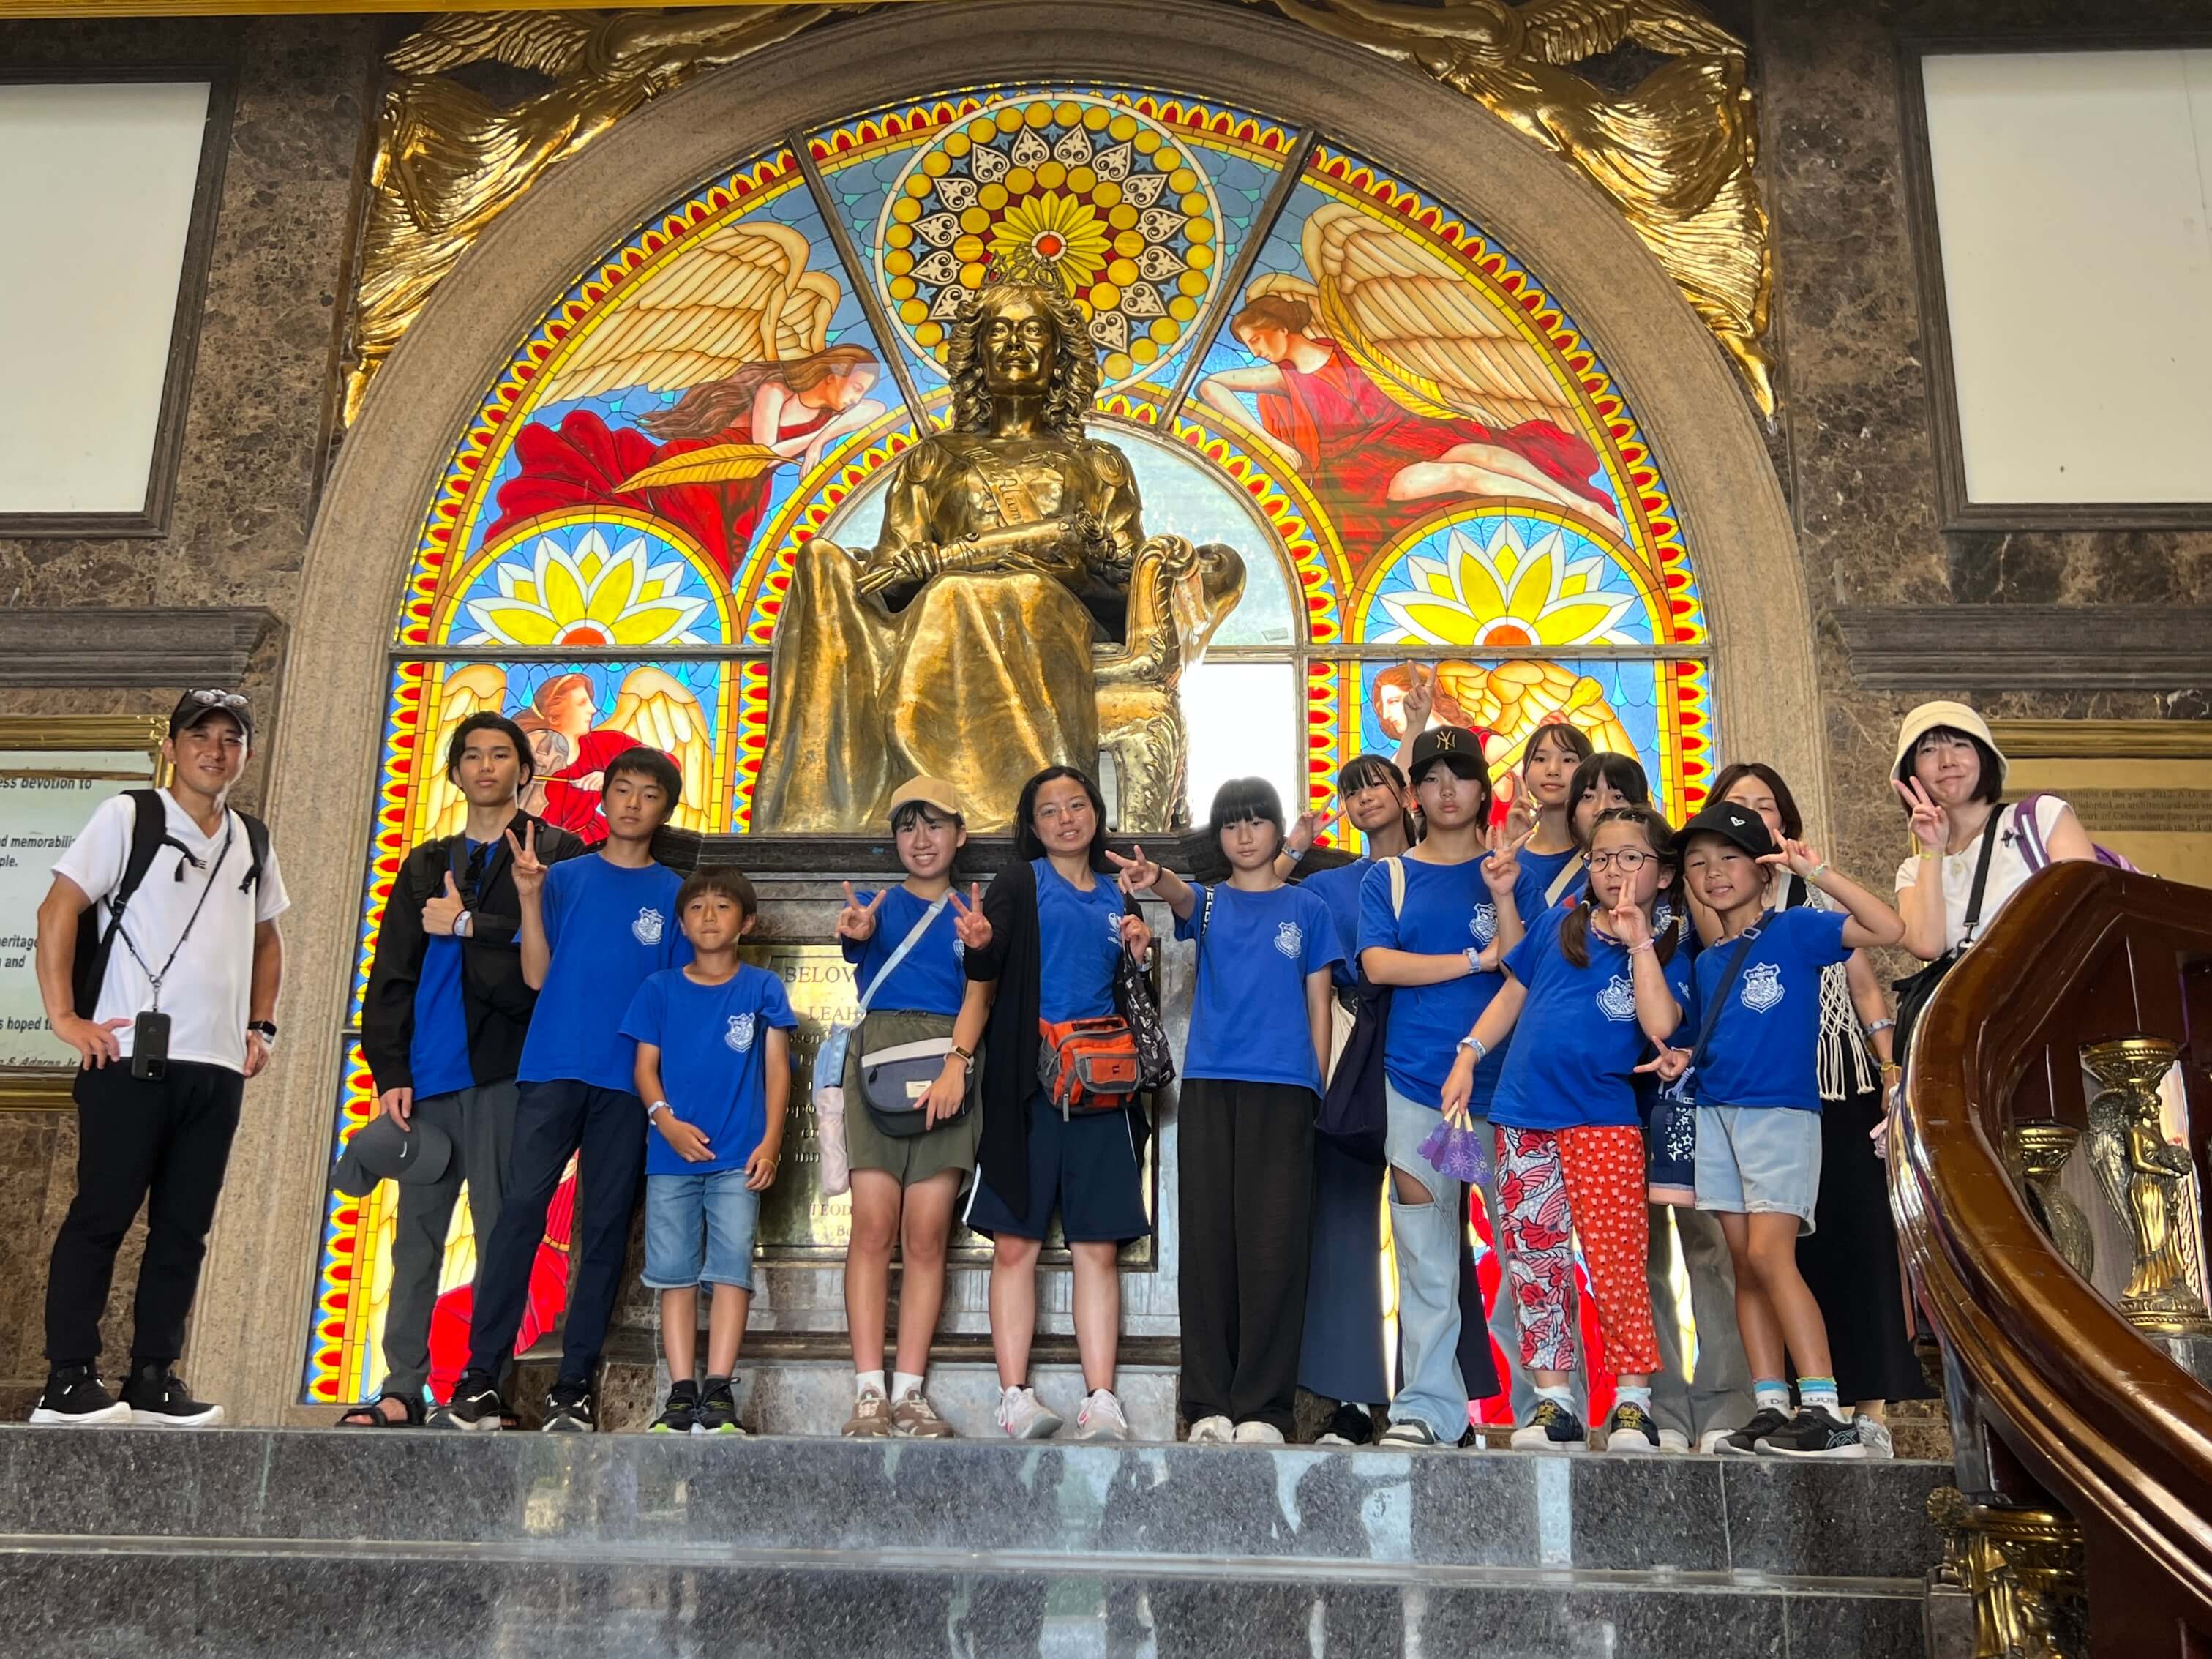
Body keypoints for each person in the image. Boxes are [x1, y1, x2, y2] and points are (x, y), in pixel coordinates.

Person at [29, 689, 287, 1427]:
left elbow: (267, 937)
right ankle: (67, 1378)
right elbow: (58, 908)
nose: (215, 750)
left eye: (230, 738)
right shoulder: (130, 816)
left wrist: (261, 1026)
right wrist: (64, 1016)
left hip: (217, 1066)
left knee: (184, 1228)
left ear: (245, 754)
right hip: (129, 1060)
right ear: (171, 748)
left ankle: (152, 1375)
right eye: (199, 735)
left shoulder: (252, 838)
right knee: (102, 1215)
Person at [432, 748, 691, 1431]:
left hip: (626, 1082)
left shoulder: (675, 894)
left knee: (602, 1229)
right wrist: (526, 894)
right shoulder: (564, 877)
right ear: (604, 798)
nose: (632, 803)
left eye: (649, 794)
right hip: (552, 1067)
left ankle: (573, 1384)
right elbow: (537, 976)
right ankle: (481, 1377)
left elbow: (672, 1000)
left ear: (666, 810)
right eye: (623, 789)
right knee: (518, 1215)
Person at [1644, 801, 1905, 1458]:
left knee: (1770, 1255)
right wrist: (1684, 1056)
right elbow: (1718, 1035)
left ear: (1762, 870)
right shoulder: (1708, 960)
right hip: (1716, 1114)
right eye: (1698, 862)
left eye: (1729, 857)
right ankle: (1769, 1403)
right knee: (1743, 1264)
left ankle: (1823, 1406)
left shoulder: (1795, 929)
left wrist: (1815, 871)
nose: (1712, 872)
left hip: (1779, 1115)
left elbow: (1888, 926)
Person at [347, 712, 585, 1426]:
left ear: (524, 769)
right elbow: (390, 974)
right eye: (472, 755)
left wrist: (470, 925)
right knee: (415, 1241)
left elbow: (564, 956)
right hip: (425, 1079)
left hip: (510, 1075)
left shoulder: (557, 854)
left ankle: (486, 1386)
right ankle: (401, 1387)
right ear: (453, 772)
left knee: (501, 1237)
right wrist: (391, 1069)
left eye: (500, 754)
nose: (485, 766)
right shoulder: (425, 863)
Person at [1442, 805, 1693, 1453]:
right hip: (1523, 1116)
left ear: (1663, 873)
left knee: (1616, 1264)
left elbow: (1660, 1023)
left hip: (1602, 1123)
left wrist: (1639, 942)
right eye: (1601, 857)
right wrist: (1469, 1053)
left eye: (1630, 857)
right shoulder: (1559, 924)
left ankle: (1633, 1404)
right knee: (1534, 1262)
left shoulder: (1670, 945)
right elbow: (1511, 995)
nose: (1613, 870)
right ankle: (1555, 1402)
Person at [1113, 780, 1341, 1444]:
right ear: (1219, 838)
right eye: (1231, 824)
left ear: (1275, 829)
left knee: (1275, 1247)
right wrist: (1154, 878)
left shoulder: (1307, 907)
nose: (1244, 835)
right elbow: (1180, 896)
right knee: (1209, 1244)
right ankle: (1207, 1404)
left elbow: (1319, 1003)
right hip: (1211, 1086)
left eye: (1256, 821)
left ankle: (1265, 1409)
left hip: (1288, 1089)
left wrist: (1316, 1087)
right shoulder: (1210, 903)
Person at [1713, 763, 1929, 1458]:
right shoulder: (1714, 900)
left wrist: (1889, 1068)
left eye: (1765, 805)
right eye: (1738, 804)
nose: (1754, 815)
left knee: (1855, 1240)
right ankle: (1786, 1402)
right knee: (1775, 1254)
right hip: (1757, 1094)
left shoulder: (1809, 898)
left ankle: (1864, 1408)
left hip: (1838, 1084)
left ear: (1785, 819)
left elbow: (1865, 985)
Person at [961, 767, 1155, 1442]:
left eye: (1076, 805)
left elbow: (1130, 992)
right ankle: (1014, 1395)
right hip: (1029, 1087)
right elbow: (987, 968)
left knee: (1097, 1248)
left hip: (1102, 1089)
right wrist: (978, 948)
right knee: (1015, 1243)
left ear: (1096, 813)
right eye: (1049, 810)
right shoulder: (1021, 882)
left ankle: (1101, 1398)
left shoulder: (1118, 892)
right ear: (1032, 824)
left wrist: (1139, 956)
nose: (1065, 818)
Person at [1358, 726, 1524, 1448]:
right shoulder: (1389, 877)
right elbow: (1377, 964)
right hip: (1418, 1086)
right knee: (1425, 1253)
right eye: (1431, 776)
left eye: (1461, 774)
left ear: (1484, 789)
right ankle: (1429, 1407)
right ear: (1413, 793)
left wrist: (1503, 902)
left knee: (1525, 1254)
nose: (1447, 788)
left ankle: (1541, 1406)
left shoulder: (1510, 871)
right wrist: (1471, 958)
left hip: (1509, 1090)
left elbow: (1525, 964)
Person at [833, 778, 994, 1439]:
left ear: (960, 834)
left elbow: (980, 994)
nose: (921, 840)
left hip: (949, 1064)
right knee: (873, 1225)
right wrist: (855, 932)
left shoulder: (974, 912)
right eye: (907, 827)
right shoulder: (875, 907)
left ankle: (910, 1392)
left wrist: (958, 1064)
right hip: (878, 1061)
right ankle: (868, 1391)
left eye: (934, 825)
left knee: (927, 1232)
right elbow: (856, 938)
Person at [625, 867, 793, 1435]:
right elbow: (644, 1069)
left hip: (737, 1159)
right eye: (696, 907)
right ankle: (680, 1391)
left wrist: (770, 1142)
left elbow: (777, 1071)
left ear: (747, 921)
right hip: (670, 1158)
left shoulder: (762, 988)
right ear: (680, 923)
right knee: (673, 1274)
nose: (709, 916)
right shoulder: (659, 989)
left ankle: (718, 1387)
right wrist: (666, 1122)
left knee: (730, 1270)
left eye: (722, 906)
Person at [1282, 754, 1413, 1445]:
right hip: (1350, 1047)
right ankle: (1348, 1399)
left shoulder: (1444, 869)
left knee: (1435, 1225)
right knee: (1341, 1222)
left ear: (1406, 791)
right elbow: (1263, 896)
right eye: (1350, 789)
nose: (1363, 798)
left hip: (1426, 1048)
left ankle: (1436, 1396)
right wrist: (1294, 846)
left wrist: (1413, 732)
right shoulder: (1325, 883)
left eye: (1375, 784)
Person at [1893, 700, 2096, 965]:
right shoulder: (1914, 871)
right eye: (1929, 750)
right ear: (1913, 772)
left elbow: (2089, 908)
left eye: (1960, 745)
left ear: (1983, 757)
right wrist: (1932, 849)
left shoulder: (2040, 817)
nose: (1947, 762)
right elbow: (1926, 946)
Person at [1508, 724, 1598, 918]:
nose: (1553, 770)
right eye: (1540, 759)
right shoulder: (1509, 856)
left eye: (1568, 760)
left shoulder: (1602, 858)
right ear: (1525, 773)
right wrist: (1508, 845)